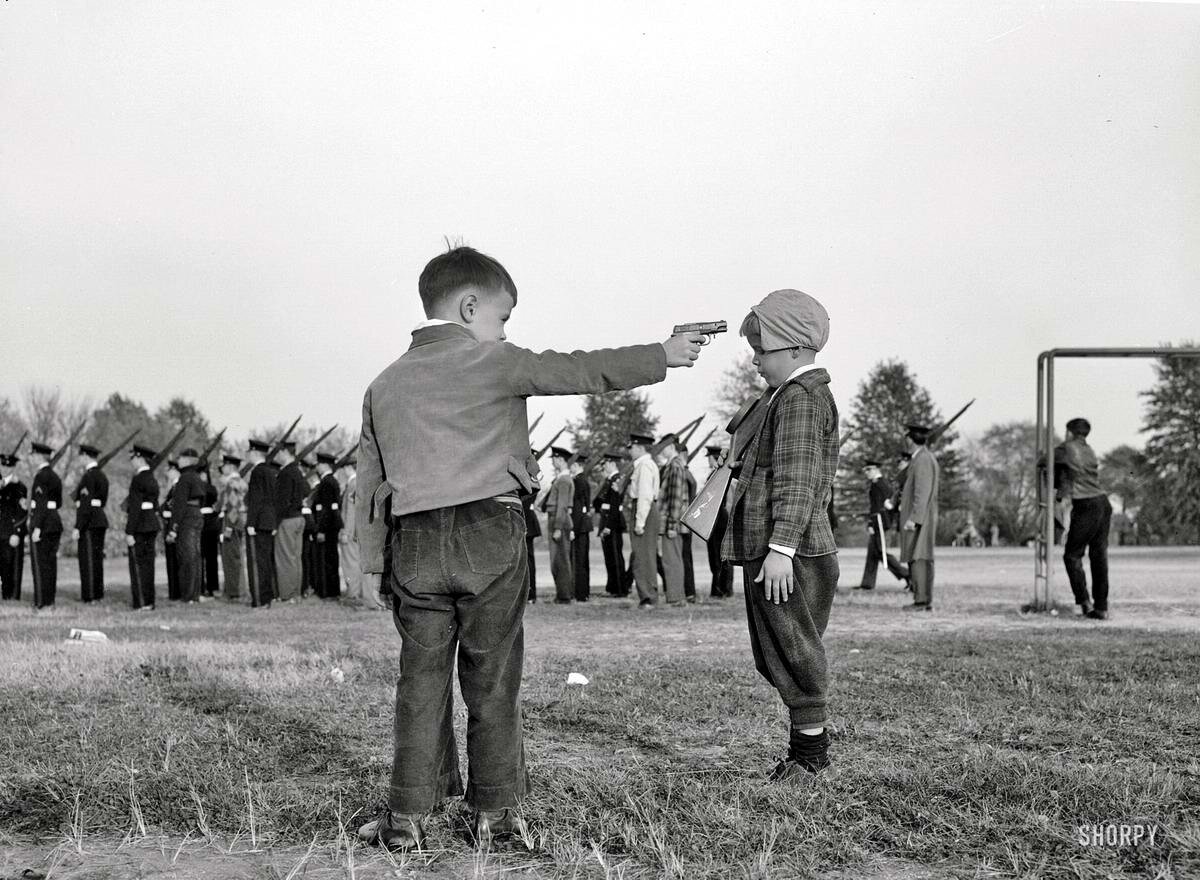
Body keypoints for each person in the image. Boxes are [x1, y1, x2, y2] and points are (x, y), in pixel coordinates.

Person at [354, 245, 704, 851]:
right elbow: (579, 369)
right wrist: (662, 355)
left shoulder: (382, 385)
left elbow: (369, 486)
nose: (505, 331)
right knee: (492, 677)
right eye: (503, 318)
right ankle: (494, 814)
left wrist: (374, 565)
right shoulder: (497, 360)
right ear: (470, 308)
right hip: (488, 533)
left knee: (420, 681)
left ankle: (406, 817)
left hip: (413, 542)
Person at [721, 289, 839, 778]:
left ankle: (810, 760)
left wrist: (781, 550)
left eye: (760, 349)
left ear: (792, 348)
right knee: (780, 651)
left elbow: (797, 478)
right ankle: (805, 751)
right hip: (780, 548)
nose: (754, 360)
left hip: (789, 551)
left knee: (795, 652)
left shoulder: (800, 399)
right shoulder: (784, 398)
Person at [1057, 417, 1112, 620]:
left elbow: (1044, 460)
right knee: (1099, 556)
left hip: (1086, 504)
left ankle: (1084, 602)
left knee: (1072, 555)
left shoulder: (1066, 448)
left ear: (1070, 432)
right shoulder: (1089, 450)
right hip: (1103, 503)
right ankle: (1101, 607)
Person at [899, 425, 940, 611]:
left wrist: (914, 518)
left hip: (920, 517)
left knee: (919, 557)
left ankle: (921, 601)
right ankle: (922, 599)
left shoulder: (922, 459)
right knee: (919, 556)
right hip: (923, 515)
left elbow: (922, 492)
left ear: (910, 439)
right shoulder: (924, 457)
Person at [854, 459, 909, 590]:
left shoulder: (882, 485)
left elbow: (884, 507)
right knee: (872, 553)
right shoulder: (875, 484)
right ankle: (867, 584)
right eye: (865, 470)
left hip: (881, 522)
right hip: (877, 521)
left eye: (869, 470)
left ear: (876, 470)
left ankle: (907, 574)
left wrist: (874, 524)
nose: (867, 473)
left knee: (880, 552)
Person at [623, 431, 661, 609]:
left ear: (639, 447)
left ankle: (648, 597)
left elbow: (645, 495)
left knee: (642, 557)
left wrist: (640, 522)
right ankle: (648, 595)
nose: (629, 451)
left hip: (644, 510)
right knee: (645, 555)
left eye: (631, 447)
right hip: (646, 510)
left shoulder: (644, 466)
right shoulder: (645, 464)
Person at [27, 441, 65, 609]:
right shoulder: (55, 477)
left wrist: (37, 527)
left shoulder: (41, 476)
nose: (32, 458)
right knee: (50, 564)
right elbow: (58, 503)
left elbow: (41, 503)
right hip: (54, 522)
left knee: (39, 565)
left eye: (33, 455)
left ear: (39, 456)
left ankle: (41, 603)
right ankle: (49, 601)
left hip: (42, 524)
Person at [124, 444, 161, 610]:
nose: (131, 461)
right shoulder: (152, 478)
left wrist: (129, 531)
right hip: (151, 523)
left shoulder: (138, 479)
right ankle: (149, 601)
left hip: (139, 525)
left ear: (140, 458)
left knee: (138, 566)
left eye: (133, 458)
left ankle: (141, 602)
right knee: (148, 565)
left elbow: (135, 507)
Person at [72, 442, 109, 602]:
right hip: (99, 519)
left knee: (87, 559)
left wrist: (78, 526)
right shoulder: (102, 475)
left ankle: (90, 596)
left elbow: (85, 505)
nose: (80, 459)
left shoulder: (88, 477)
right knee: (96, 559)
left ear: (86, 456)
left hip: (89, 522)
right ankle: (98, 594)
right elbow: (102, 501)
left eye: (81, 456)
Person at [169, 448, 206, 604]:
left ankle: (188, 595)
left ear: (187, 460)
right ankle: (195, 593)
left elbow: (179, 505)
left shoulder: (184, 478)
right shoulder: (197, 477)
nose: (178, 460)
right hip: (197, 514)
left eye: (180, 457)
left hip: (186, 517)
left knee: (186, 557)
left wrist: (173, 527)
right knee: (195, 556)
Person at [244, 438, 278, 608]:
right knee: (266, 561)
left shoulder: (257, 472)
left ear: (255, 452)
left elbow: (255, 499)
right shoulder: (271, 471)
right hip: (269, 521)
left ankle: (259, 599)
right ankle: (269, 596)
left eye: (249, 452)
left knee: (257, 563)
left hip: (258, 522)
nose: (248, 455)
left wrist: (250, 522)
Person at [656, 434, 689, 606]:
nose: (661, 451)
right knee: (671, 559)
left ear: (670, 447)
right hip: (671, 521)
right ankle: (676, 596)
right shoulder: (673, 466)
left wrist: (671, 524)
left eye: (663, 447)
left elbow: (675, 498)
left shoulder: (675, 467)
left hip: (672, 523)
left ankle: (676, 598)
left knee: (672, 560)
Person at [272, 442, 307, 602]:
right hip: (299, 517)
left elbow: (282, 501)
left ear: (286, 452)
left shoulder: (285, 473)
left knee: (285, 558)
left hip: (287, 520)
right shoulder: (297, 471)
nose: (277, 455)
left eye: (279, 452)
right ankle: (296, 593)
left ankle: (287, 594)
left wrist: (275, 523)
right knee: (295, 558)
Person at [544, 446, 576, 603]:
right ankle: (562, 594)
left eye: (555, 459)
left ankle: (564, 596)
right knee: (558, 560)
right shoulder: (563, 479)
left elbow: (562, 506)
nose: (553, 462)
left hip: (559, 521)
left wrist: (557, 527)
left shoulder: (563, 480)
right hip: (559, 520)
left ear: (560, 460)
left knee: (560, 560)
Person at [593, 452, 628, 597]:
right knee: (609, 558)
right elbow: (599, 502)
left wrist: (608, 526)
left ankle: (620, 589)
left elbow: (615, 506)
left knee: (615, 557)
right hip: (606, 519)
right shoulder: (608, 480)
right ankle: (612, 587)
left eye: (606, 463)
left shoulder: (617, 479)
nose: (604, 466)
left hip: (612, 522)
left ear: (613, 464)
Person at [703, 445, 734, 598]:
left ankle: (721, 589)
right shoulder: (722, 473)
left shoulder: (717, 474)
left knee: (718, 555)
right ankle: (723, 588)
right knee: (718, 554)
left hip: (717, 515)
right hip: (719, 515)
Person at [313, 451, 344, 599]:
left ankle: (328, 592)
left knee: (327, 559)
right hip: (332, 526)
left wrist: (321, 529)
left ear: (325, 465)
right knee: (331, 558)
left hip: (327, 527)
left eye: (319, 464)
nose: (317, 467)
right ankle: (332, 591)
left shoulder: (326, 483)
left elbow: (326, 509)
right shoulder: (332, 481)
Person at [217, 453, 248, 601]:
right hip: (239, 521)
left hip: (232, 521)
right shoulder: (240, 482)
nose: (222, 469)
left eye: (224, 466)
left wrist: (228, 528)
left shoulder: (231, 483)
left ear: (230, 466)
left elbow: (233, 507)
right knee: (236, 556)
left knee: (230, 557)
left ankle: (234, 592)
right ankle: (235, 589)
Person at [338, 456, 366, 603]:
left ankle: (353, 594)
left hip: (351, 531)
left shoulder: (352, 484)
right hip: (359, 530)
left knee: (350, 562)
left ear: (347, 468)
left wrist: (346, 532)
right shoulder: (361, 481)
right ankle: (358, 592)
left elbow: (350, 511)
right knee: (356, 561)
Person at [0, 451, 28, 601]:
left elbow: (22, 512)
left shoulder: (19, 487)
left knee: (10, 566)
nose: (5, 469)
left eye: (8, 467)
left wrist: (17, 532)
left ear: (13, 468)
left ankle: (10, 596)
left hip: (9, 532)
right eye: (2, 466)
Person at [520, 449, 542, 603]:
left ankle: (531, 594)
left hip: (527, 521)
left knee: (528, 560)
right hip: (525, 521)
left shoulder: (530, 478)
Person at [569, 456, 592, 602]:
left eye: (572, 465)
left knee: (579, 560)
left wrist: (573, 528)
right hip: (584, 524)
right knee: (583, 560)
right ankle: (584, 592)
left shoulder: (578, 481)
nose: (570, 467)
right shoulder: (584, 480)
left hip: (579, 525)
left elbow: (577, 507)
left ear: (577, 465)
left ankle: (580, 592)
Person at [200, 467, 221, 598]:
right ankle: (212, 587)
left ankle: (204, 587)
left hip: (204, 522)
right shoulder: (211, 488)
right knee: (211, 557)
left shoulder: (201, 487)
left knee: (204, 557)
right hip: (211, 522)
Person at [162, 460, 181, 601]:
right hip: (169, 523)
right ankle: (173, 592)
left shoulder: (178, 487)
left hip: (174, 526)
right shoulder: (172, 487)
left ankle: (176, 592)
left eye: (169, 470)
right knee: (171, 560)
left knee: (175, 560)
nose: (167, 473)